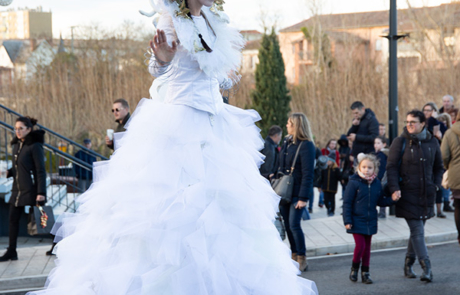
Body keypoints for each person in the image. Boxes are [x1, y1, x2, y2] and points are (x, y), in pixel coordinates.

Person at [29, 1, 318, 294]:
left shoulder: (213, 19)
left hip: (216, 125)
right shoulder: (170, 19)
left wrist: (226, 72)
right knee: (173, 212)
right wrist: (163, 59)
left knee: (222, 212)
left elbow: (220, 75)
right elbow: (157, 67)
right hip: (180, 121)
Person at [386, 110, 443, 283]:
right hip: (407, 194)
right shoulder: (400, 141)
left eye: (413, 122)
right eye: (407, 121)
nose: (409, 124)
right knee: (417, 230)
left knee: (416, 231)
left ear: (423, 124)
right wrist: (394, 188)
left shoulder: (432, 142)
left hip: (426, 194)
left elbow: (439, 167)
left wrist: (437, 184)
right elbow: (391, 167)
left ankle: (408, 264)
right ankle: (427, 268)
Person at [343, 153, 398, 284]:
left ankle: (365, 273)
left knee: (367, 248)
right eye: (364, 167)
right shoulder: (354, 183)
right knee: (360, 246)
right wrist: (347, 221)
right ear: (359, 168)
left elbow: (380, 201)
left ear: (375, 169)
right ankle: (354, 269)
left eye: (369, 167)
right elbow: (347, 203)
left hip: (371, 220)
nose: (366, 170)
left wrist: (392, 200)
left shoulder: (377, 184)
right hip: (356, 220)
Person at [0, 117, 46, 262]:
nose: (17, 131)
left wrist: (41, 193)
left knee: (42, 219)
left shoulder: (35, 146)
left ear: (29, 129)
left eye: (21, 128)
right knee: (12, 219)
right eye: (16, 128)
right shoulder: (17, 145)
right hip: (17, 189)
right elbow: (18, 168)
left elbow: (40, 170)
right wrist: (7, 173)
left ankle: (58, 242)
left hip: (32, 189)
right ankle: (11, 251)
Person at [278, 113, 316, 272]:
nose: (287, 125)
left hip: (297, 192)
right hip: (284, 191)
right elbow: (280, 164)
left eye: (289, 123)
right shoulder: (287, 142)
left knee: (294, 225)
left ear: (296, 125)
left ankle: (301, 257)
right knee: (287, 225)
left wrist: (303, 198)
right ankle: (293, 255)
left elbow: (308, 174)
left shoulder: (307, 145)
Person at [440, 111, 460, 244]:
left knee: (458, 206)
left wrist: (451, 167)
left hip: (457, 175)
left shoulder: (450, 133)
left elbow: (444, 156)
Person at [436, 113, 455, 213]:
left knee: (446, 184)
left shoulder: (449, 133)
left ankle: (446, 203)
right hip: (442, 162)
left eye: (444, 121)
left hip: (448, 163)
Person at [374, 136, 388, 218]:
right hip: (380, 178)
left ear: (384, 144)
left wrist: (378, 177)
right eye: (375, 143)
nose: (376, 145)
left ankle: (382, 213)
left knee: (380, 195)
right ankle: (381, 212)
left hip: (380, 178)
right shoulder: (377, 154)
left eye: (378, 143)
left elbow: (382, 168)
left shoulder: (381, 155)